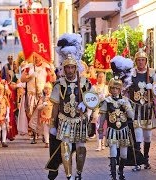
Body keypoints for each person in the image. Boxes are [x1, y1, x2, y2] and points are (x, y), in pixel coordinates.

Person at [48, 33, 91, 180]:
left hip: (80, 119)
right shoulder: (59, 84)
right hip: (64, 120)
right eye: (68, 68)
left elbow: (93, 100)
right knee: (65, 148)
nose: (70, 71)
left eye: (73, 67)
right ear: (64, 68)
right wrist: (52, 123)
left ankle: (78, 173)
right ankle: (69, 176)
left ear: (76, 68)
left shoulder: (85, 83)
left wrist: (85, 104)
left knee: (80, 148)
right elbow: (55, 105)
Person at [127, 44, 156, 170]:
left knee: (147, 136)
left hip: (147, 109)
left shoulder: (153, 74)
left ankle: (146, 158)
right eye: (138, 60)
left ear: (146, 61)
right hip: (135, 109)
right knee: (137, 136)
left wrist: (152, 88)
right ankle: (137, 161)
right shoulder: (131, 74)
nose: (141, 62)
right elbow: (124, 89)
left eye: (143, 60)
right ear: (136, 61)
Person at [98, 77, 134, 180]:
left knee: (124, 154)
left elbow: (131, 116)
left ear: (120, 89)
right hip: (112, 130)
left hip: (123, 130)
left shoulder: (125, 100)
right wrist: (100, 127)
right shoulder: (107, 101)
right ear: (110, 89)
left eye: (117, 88)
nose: (114, 90)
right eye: (113, 88)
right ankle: (113, 176)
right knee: (113, 152)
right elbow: (103, 116)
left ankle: (121, 171)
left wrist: (126, 106)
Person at [20, 55, 56, 144]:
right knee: (31, 114)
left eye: (38, 57)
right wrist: (31, 76)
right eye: (35, 57)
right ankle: (34, 135)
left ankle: (44, 134)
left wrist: (52, 70)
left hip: (43, 94)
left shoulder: (46, 67)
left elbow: (53, 79)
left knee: (43, 115)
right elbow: (22, 79)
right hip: (31, 94)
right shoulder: (28, 67)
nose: (36, 59)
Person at [90, 72, 108, 151]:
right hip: (97, 109)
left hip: (105, 109)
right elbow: (90, 98)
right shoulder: (94, 87)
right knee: (98, 126)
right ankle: (99, 144)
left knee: (104, 126)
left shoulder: (107, 87)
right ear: (97, 78)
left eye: (102, 77)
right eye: (99, 77)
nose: (101, 78)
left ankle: (103, 143)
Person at [37, 82, 53, 148]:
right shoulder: (42, 98)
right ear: (44, 90)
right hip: (45, 116)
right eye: (46, 89)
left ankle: (52, 141)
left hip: (52, 116)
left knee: (52, 130)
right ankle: (47, 142)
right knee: (46, 129)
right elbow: (38, 107)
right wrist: (43, 104)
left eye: (49, 89)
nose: (47, 90)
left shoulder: (53, 98)